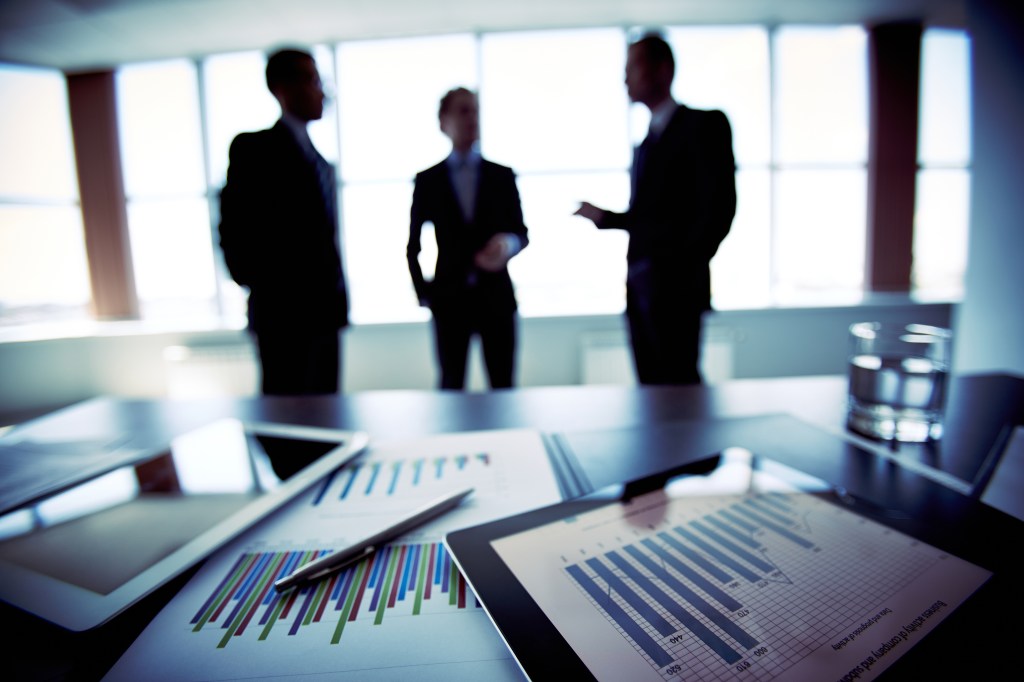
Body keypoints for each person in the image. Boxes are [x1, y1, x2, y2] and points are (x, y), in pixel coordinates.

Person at [575, 33, 736, 385]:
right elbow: (647, 217)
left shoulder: (705, 125)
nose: (625, 78)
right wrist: (604, 218)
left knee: (680, 388)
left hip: (679, 290)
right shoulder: (645, 145)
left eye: (633, 66)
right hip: (639, 289)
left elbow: (719, 209)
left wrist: (681, 270)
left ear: (663, 70)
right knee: (650, 390)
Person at [218, 48, 349, 395]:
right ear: (281, 88)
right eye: (312, 80)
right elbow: (233, 227)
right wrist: (261, 286)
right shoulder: (254, 149)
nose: (321, 91)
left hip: (326, 315)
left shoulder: (321, 163)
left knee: (328, 412)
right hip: (281, 316)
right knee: (285, 413)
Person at [407, 87, 528, 390]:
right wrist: (425, 294)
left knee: (503, 386)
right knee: (451, 387)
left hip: (496, 298)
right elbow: (413, 246)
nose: (472, 118)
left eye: (475, 110)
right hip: (449, 302)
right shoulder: (428, 180)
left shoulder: (502, 175)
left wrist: (506, 245)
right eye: (463, 111)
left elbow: (521, 233)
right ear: (443, 121)